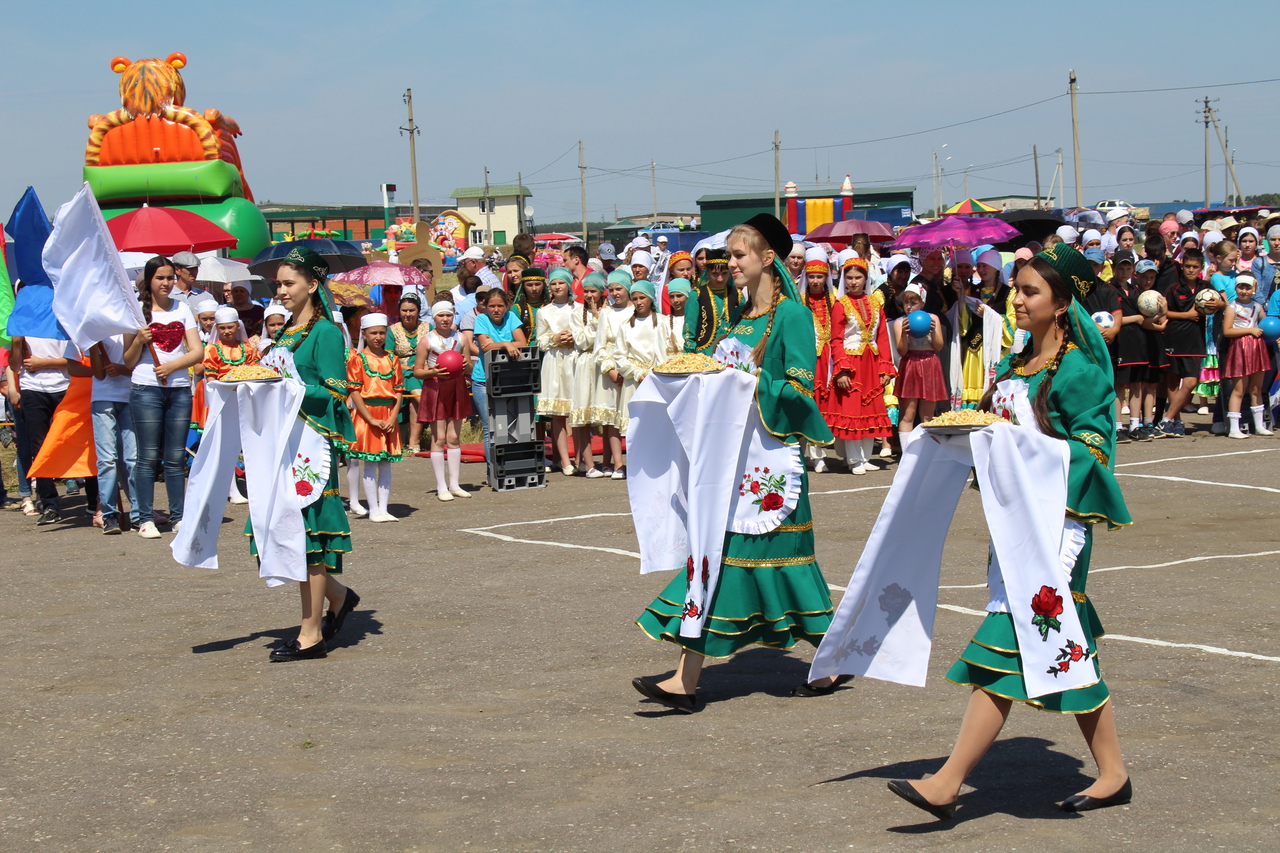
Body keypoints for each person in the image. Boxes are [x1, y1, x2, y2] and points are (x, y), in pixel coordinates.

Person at [888, 244, 1133, 820]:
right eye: (1016, 289)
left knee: (1010, 637)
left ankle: (947, 783)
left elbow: (1093, 453)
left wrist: (1014, 445)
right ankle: (1114, 773)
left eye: (1030, 291)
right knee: (1064, 647)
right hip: (1014, 523)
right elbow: (991, 428)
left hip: (1059, 527)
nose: (1016, 300)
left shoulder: (1079, 371)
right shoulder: (1015, 363)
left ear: (1062, 303)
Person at [633, 214, 838, 713]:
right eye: (728, 254)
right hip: (735, 460)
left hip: (771, 463)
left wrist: (746, 383)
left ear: (767, 258)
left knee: (773, 564)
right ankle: (686, 679)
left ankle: (831, 656)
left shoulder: (792, 316)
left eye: (739, 254)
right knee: (722, 557)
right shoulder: (740, 316)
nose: (731, 263)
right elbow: (717, 373)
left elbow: (800, 390)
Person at [254, 246, 359, 661]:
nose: (280, 290)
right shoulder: (284, 332)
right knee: (286, 532)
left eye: (288, 283)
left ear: (312, 285)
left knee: (309, 538)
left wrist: (286, 387)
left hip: (311, 447)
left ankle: (311, 633)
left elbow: (335, 392)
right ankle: (339, 596)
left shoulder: (326, 333)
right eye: (277, 284)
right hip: (283, 444)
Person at [123, 256, 204, 539]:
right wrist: (138, 340)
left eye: (170, 277)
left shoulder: (182, 308)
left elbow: (197, 351)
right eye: (160, 278)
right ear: (149, 281)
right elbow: (128, 360)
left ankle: (178, 516)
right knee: (147, 456)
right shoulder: (135, 312)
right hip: (146, 389)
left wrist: (172, 366)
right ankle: (145, 518)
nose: (166, 283)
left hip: (179, 388)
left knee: (175, 457)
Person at [823, 257, 895, 473]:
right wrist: (841, 369)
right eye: (849, 278)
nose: (853, 282)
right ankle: (854, 459)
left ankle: (864, 457)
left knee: (870, 406)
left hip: (871, 362)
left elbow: (883, 337)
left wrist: (885, 367)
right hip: (851, 363)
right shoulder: (840, 304)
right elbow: (836, 339)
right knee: (851, 409)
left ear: (865, 279)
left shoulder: (875, 303)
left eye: (858, 277)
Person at [11, 332, 88, 525]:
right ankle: (49, 504)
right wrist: (17, 343)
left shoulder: (63, 322)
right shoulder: (22, 323)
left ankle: (94, 500)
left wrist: (44, 363)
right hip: (32, 390)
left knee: (79, 442)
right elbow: (13, 365)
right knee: (39, 448)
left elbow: (77, 360)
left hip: (66, 386)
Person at [346, 313, 404, 522]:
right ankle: (373, 509)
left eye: (381, 332)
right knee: (370, 462)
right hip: (367, 414)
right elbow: (354, 391)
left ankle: (384, 508)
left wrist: (393, 417)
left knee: (386, 462)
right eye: (373, 333)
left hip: (388, 414)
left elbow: (399, 390)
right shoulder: (358, 358)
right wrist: (370, 419)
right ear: (364, 334)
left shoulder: (392, 358)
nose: (378, 337)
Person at [413, 301, 472, 501]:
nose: (445, 319)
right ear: (434, 317)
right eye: (441, 315)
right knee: (438, 438)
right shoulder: (426, 341)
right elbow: (417, 371)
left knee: (453, 437)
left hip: (456, 387)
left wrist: (465, 365)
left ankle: (455, 484)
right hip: (436, 387)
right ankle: (441, 486)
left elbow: (469, 368)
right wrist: (433, 372)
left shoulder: (461, 338)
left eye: (448, 315)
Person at [88, 333, 139, 534]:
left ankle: (139, 513)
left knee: (133, 458)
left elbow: (137, 365)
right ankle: (109, 514)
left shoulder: (130, 326)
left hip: (130, 395)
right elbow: (98, 374)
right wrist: (94, 345)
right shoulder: (94, 330)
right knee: (107, 459)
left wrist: (123, 369)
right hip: (103, 398)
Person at [472, 288, 528, 471]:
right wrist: (506, 344)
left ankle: (510, 465)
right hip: (483, 379)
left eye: (500, 306)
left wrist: (498, 344)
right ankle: (493, 469)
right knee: (490, 425)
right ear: (485, 306)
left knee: (509, 423)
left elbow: (523, 342)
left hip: (506, 378)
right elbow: (485, 347)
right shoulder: (481, 319)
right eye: (492, 306)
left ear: (506, 306)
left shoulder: (511, 317)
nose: (496, 310)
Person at [611, 279, 676, 432]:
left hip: (656, 378)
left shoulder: (663, 322)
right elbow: (619, 355)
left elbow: (668, 351)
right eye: (635, 298)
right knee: (634, 426)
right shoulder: (626, 325)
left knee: (656, 426)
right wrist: (637, 373)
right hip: (633, 380)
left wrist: (658, 372)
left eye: (642, 298)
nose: (638, 302)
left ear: (651, 298)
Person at [591, 271, 634, 479]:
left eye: (619, 289)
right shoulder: (607, 313)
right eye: (612, 289)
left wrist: (629, 369)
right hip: (611, 369)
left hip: (631, 367)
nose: (615, 293)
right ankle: (618, 463)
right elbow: (599, 346)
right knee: (612, 419)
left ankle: (634, 460)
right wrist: (610, 369)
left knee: (630, 415)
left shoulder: (635, 310)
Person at [535, 269, 578, 474]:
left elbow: (589, 334)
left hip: (575, 359)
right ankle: (564, 460)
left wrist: (575, 338)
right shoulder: (544, 312)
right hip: (554, 361)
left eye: (561, 283)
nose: (557, 287)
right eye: (553, 283)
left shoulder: (579, 309)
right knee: (558, 414)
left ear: (569, 285)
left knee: (577, 411)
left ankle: (581, 456)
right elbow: (540, 341)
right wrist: (555, 338)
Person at [892, 284, 947, 443]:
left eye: (913, 302)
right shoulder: (899, 322)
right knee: (908, 414)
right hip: (910, 364)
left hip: (930, 363)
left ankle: (926, 450)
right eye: (906, 302)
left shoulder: (933, 318)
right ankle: (907, 451)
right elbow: (902, 351)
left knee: (927, 415)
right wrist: (904, 334)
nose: (909, 306)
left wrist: (933, 331)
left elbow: (938, 346)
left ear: (922, 303)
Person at [1221, 275, 1272, 438]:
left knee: (1256, 388)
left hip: (1257, 348)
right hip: (1240, 348)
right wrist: (1250, 330)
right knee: (1239, 389)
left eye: (1247, 288)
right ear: (1236, 288)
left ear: (1253, 289)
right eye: (1241, 287)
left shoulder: (1257, 306)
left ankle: (1259, 425)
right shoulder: (1232, 307)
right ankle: (1234, 428)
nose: (1244, 291)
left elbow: (1266, 325)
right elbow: (1227, 331)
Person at [569, 272, 608, 476]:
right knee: (584, 415)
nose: (589, 295)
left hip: (603, 363)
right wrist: (595, 320)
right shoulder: (577, 313)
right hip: (586, 363)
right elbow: (582, 341)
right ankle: (589, 464)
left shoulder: (608, 311)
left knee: (606, 415)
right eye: (586, 291)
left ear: (601, 292)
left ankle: (608, 462)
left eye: (593, 291)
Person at [389, 295, 426, 456]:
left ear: (418, 311)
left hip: (425, 369)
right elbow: (389, 357)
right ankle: (427, 405)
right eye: (404, 310)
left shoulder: (428, 327)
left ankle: (413, 443)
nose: (408, 314)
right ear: (399, 311)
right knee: (411, 377)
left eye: (412, 310)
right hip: (400, 370)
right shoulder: (392, 330)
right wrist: (406, 366)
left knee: (414, 401)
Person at [683, 249, 738, 354]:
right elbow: (689, 329)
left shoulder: (737, 295)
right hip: (704, 352)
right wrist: (690, 353)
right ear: (707, 271)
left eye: (724, 273)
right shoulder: (697, 294)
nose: (720, 278)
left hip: (731, 352)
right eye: (715, 274)